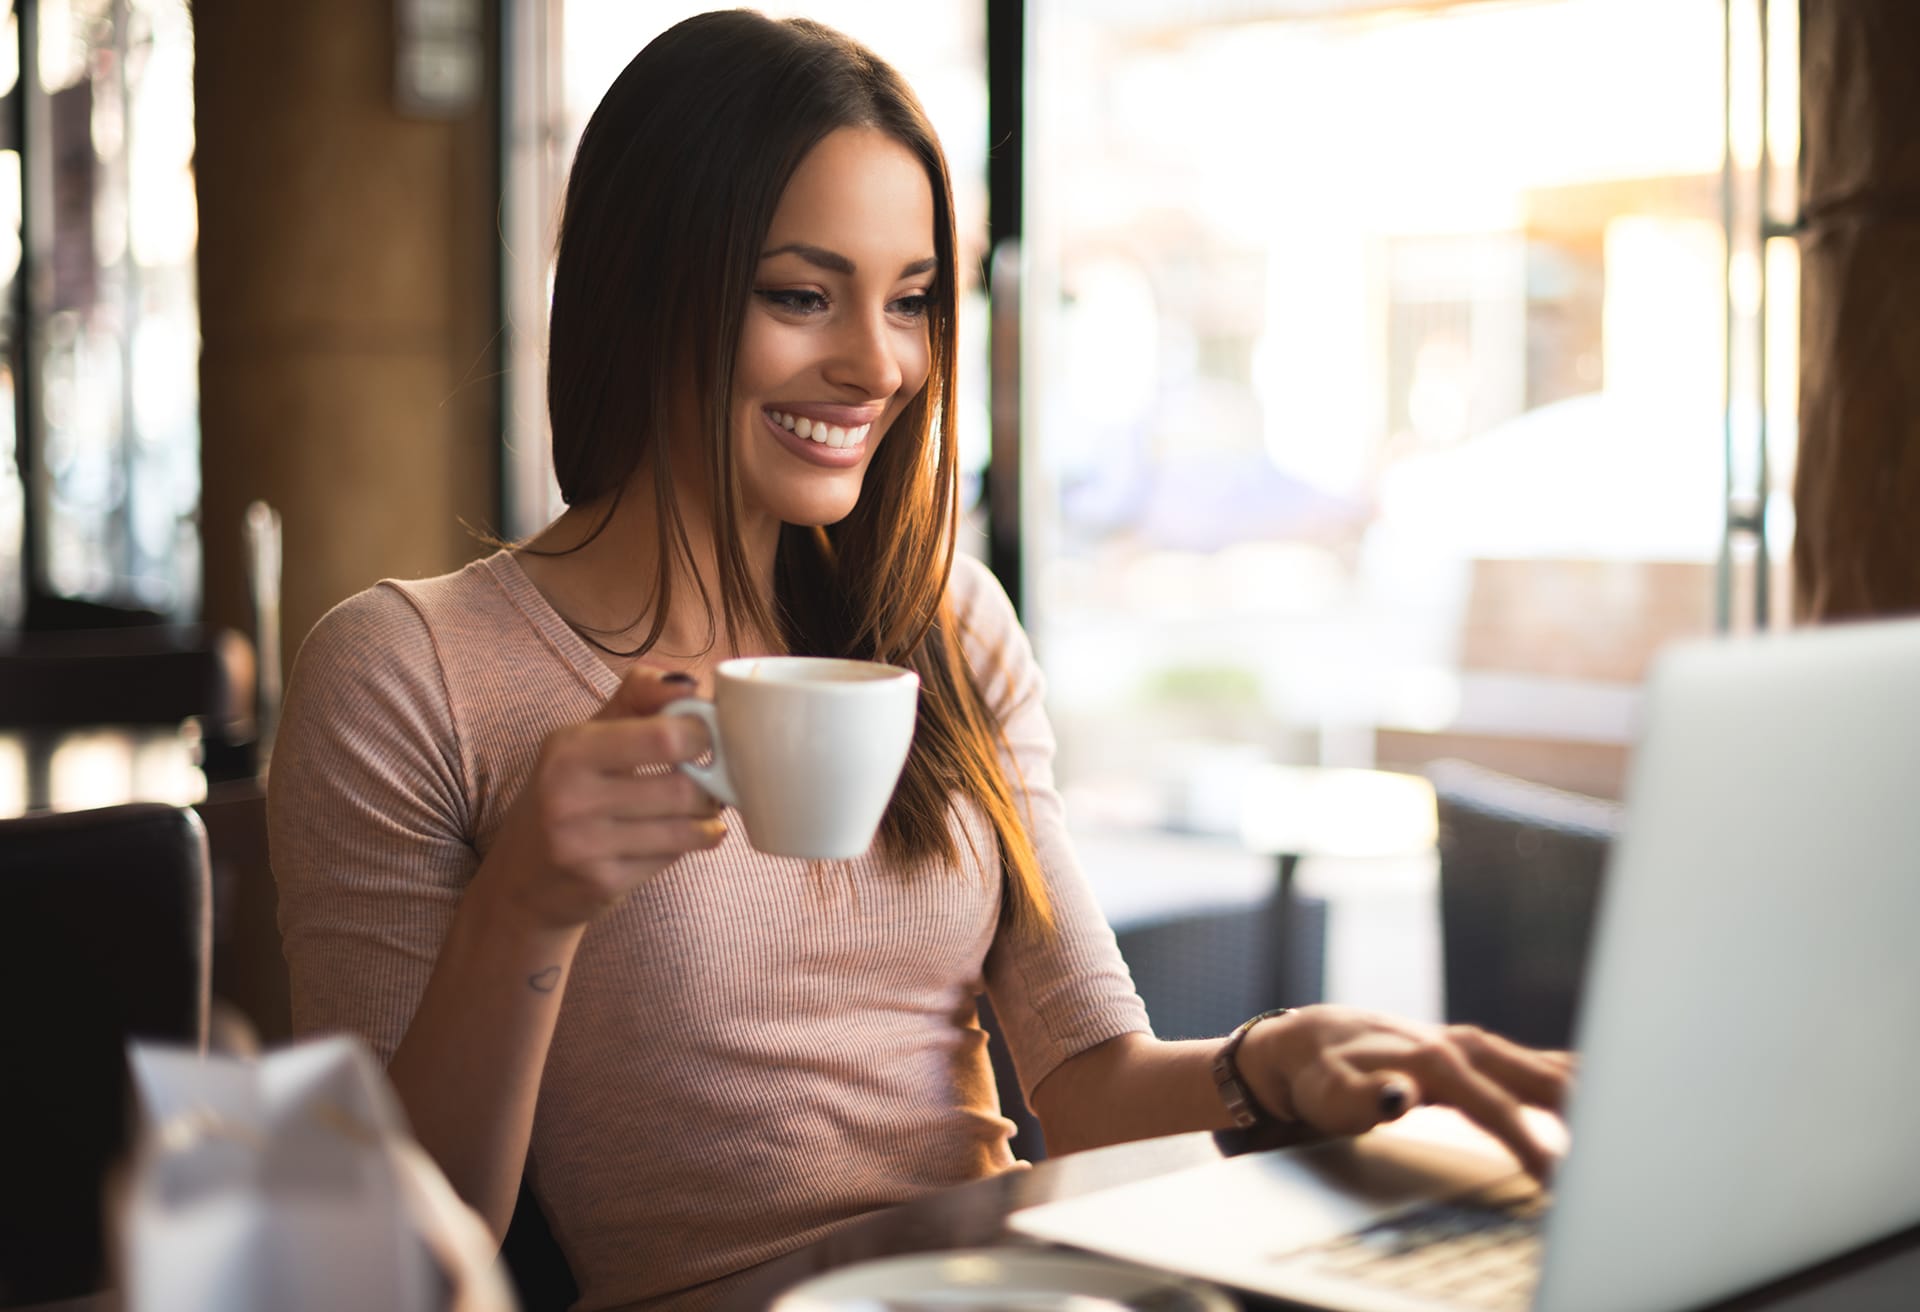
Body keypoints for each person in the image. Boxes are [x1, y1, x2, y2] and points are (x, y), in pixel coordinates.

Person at [269, 11, 1572, 1311]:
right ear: (642, 282)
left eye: (911, 301)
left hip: (1023, 1281)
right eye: (800, 295)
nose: (877, 364)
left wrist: (1269, 1064)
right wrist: (527, 904)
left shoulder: (943, 618)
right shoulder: (410, 671)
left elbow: (1092, 1078)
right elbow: (383, 1257)